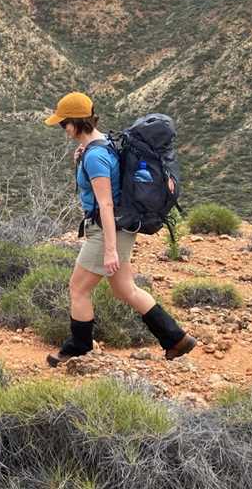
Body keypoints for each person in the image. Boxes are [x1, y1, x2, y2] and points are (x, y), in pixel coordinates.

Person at [42, 92, 196, 367]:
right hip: (121, 228)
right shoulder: (103, 145)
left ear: (76, 122)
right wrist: (82, 157)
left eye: (64, 123)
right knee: (125, 289)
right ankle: (175, 338)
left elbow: (106, 204)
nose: (62, 128)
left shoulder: (95, 156)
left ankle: (78, 347)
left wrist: (110, 250)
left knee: (78, 289)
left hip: (107, 230)